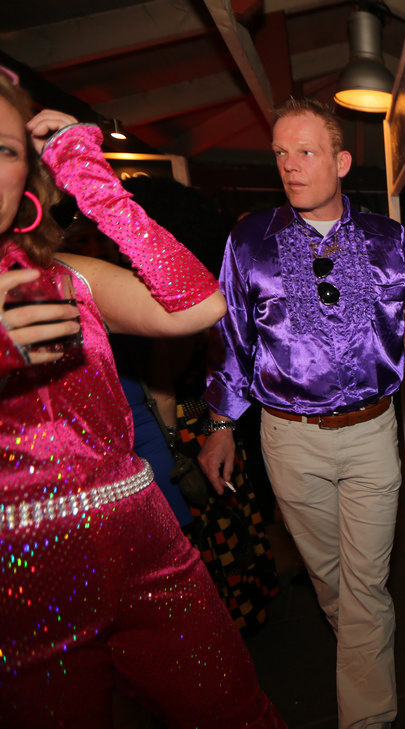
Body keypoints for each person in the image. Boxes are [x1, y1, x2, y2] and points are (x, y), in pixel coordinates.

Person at [0, 69, 285, 728]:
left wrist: (96, 184)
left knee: (241, 716)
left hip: (149, 549)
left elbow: (201, 305)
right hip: (22, 587)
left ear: (29, 176)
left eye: (5, 148)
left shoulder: (69, 276)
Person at [198, 96, 405, 729]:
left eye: (305, 151)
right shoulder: (250, 241)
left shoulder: (390, 239)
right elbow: (231, 338)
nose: (290, 165)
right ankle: (363, 657)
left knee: (365, 586)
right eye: (281, 153)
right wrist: (219, 424)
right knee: (331, 582)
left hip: (372, 435)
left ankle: (367, 719)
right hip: (289, 439)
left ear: (341, 161)